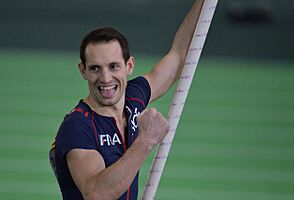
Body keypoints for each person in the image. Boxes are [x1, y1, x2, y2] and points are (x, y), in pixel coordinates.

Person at [49, 0, 204, 199]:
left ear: (129, 66)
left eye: (113, 66)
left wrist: (204, 3)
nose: (105, 78)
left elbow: (178, 57)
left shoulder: (133, 97)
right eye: (95, 68)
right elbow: (96, 194)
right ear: (83, 71)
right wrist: (145, 141)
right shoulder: (78, 126)